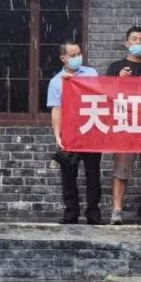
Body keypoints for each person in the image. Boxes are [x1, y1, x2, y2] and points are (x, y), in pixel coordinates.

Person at [106, 26, 141, 226]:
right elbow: (105, 95)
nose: (138, 42)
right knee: (121, 170)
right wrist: (118, 81)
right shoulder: (115, 68)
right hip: (125, 125)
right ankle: (116, 210)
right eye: (134, 39)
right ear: (126, 43)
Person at [47, 40, 101, 225]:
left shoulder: (91, 73)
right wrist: (58, 136)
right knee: (68, 175)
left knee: (93, 174)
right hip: (70, 132)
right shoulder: (56, 82)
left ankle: (93, 213)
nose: (78, 57)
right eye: (73, 55)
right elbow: (56, 110)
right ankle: (71, 213)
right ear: (63, 58)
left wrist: (76, 83)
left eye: (79, 54)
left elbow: (99, 93)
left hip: (91, 129)